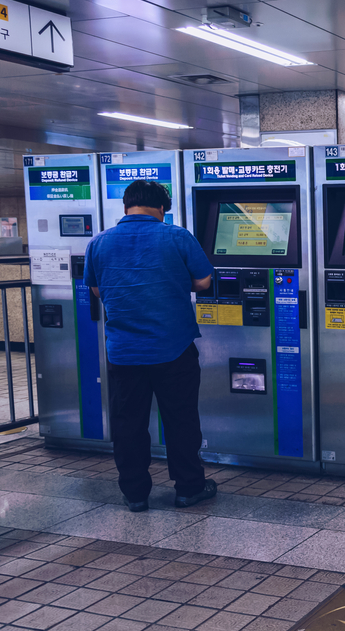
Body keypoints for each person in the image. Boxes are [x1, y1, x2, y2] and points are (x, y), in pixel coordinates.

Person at [84, 180, 217, 512]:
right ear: (162, 208)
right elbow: (203, 281)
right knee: (181, 420)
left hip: (124, 352)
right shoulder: (175, 235)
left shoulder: (99, 242)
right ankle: (189, 488)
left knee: (128, 423)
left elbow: (97, 290)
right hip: (173, 349)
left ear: (126, 207)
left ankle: (135, 494)